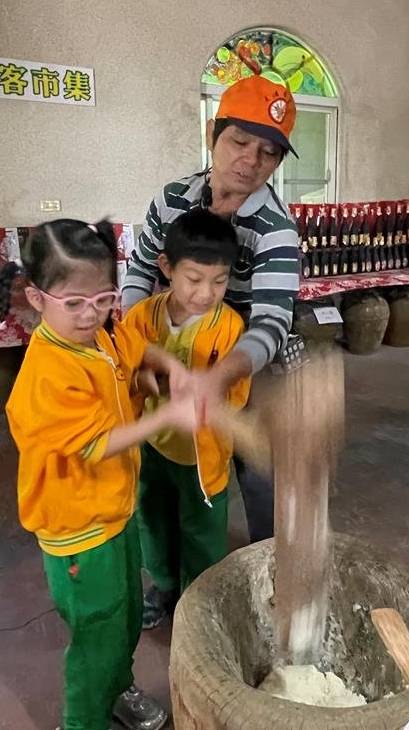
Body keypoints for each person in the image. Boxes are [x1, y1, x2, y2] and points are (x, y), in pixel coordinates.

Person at [0, 219, 199, 730]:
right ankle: (84, 721)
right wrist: (166, 416)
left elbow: (136, 349)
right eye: (75, 303)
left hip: (114, 508)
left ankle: (118, 688)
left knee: (124, 618)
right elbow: (95, 445)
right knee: (96, 632)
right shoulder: (49, 372)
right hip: (78, 527)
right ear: (37, 299)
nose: (91, 314)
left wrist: (171, 370)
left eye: (103, 299)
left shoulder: (102, 334)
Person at [121, 75, 300, 545]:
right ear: (211, 134)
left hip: (245, 362)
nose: (251, 161)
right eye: (239, 141)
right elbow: (140, 268)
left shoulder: (275, 229)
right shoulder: (172, 200)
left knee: (259, 472)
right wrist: (140, 344)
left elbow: (272, 321)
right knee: (168, 459)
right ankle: (172, 566)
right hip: (172, 347)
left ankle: (267, 564)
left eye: (268, 152)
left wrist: (220, 376)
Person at [123, 209, 249, 629]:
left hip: (203, 456)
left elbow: (236, 393)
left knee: (203, 530)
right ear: (166, 267)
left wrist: (211, 398)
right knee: (153, 519)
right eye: (194, 279)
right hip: (153, 445)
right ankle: (163, 585)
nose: (206, 293)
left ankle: (199, 598)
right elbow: (124, 371)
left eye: (219, 281)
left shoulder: (229, 327)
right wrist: (148, 381)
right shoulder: (141, 318)